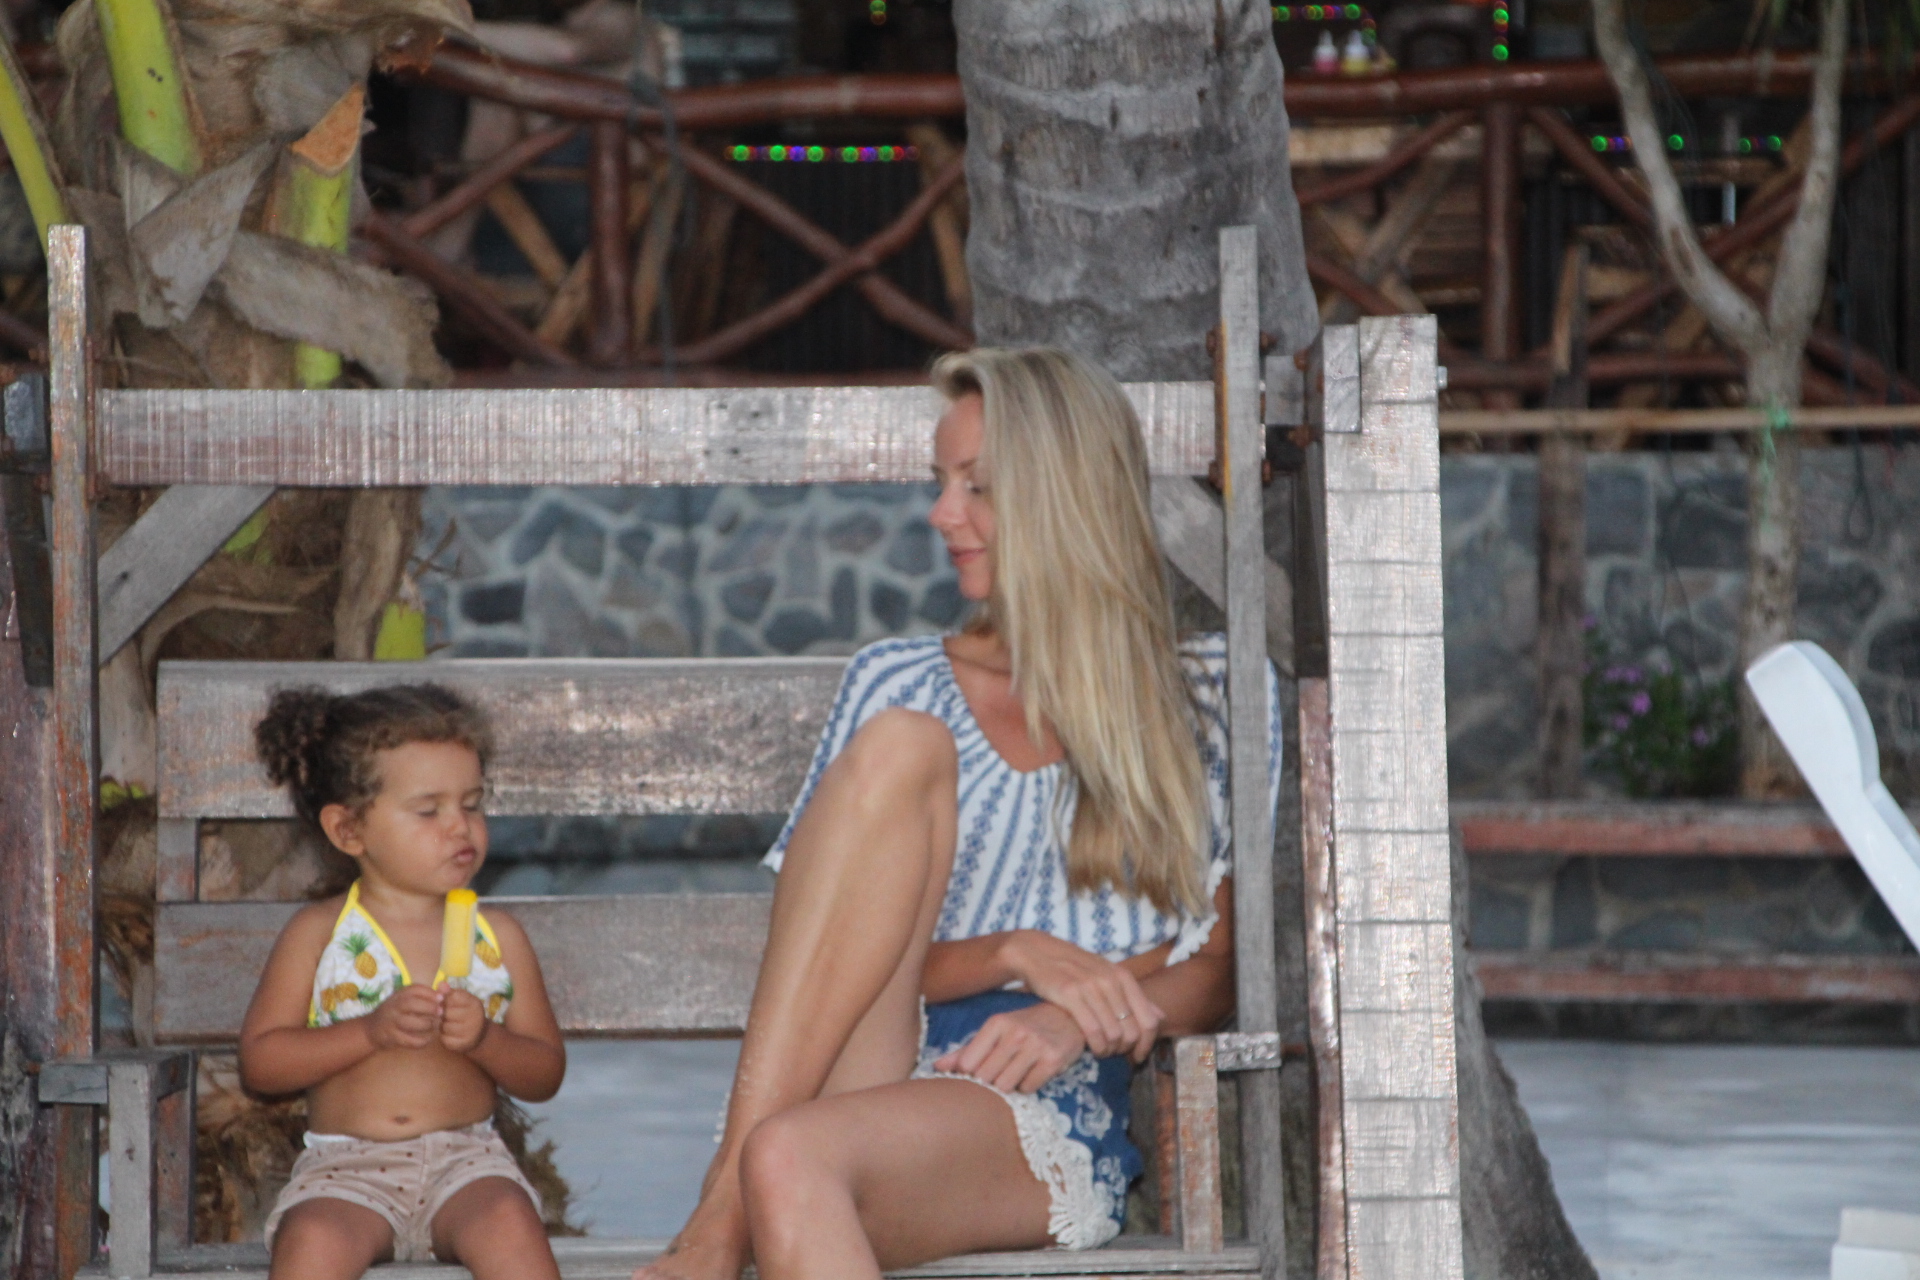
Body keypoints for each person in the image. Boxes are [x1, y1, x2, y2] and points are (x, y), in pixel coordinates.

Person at [639, 347, 1281, 1280]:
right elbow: (830, 966)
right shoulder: (896, 680)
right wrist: (1020, 952)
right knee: (904, 740)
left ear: (1063, 497)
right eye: (941, 483)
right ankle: (720, 1218)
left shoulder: (1208, 694)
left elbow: (1216, 971)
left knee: (787, 1159)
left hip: (1034, 1103)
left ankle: (716, 1223)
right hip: (873, 1056)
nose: (942, 514)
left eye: (975, 487)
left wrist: (1068, 1019)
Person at [238, 684, 567, 1280]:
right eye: (429, 810)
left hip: (468, 1160)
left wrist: (486, 1041)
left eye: (472, 804)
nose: (460, 828)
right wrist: (369, 1032)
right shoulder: (321, 934)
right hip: (347, 1171)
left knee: (511, 1226)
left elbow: (545, 1072)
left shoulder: (498, 937)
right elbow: (262, 1064)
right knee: (310, 1241)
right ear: (348, 831)